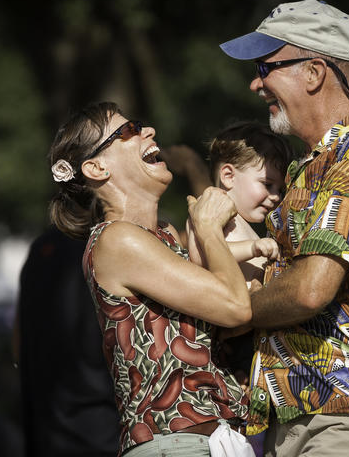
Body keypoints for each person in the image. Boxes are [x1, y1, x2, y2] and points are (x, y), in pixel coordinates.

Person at [219, 0, 349, 456]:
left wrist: (236, 310)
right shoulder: (307, 168)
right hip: (314, 418)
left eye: (265, 66)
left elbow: (310, 290)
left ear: (313, 72)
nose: (256, 83)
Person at [47, 102, 254, 456]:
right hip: (175, 446)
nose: (149, 131)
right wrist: (207, 227)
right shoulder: (117, 240)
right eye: (128, 131)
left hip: (210, 441)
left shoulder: (165, 235)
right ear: (97, 168)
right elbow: (235, 307)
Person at [14, 226, 120, 457]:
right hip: (101, 425)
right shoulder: (108, 244)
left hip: (47, 423)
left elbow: (18, 337)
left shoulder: (40, 247)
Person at [187, 121, 294, 287]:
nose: (276, 197)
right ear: (229, 176)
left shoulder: (244, 222)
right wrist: (252, 248)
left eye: (280, 190)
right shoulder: (209, 205)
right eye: (267, 184)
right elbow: (200, 257)